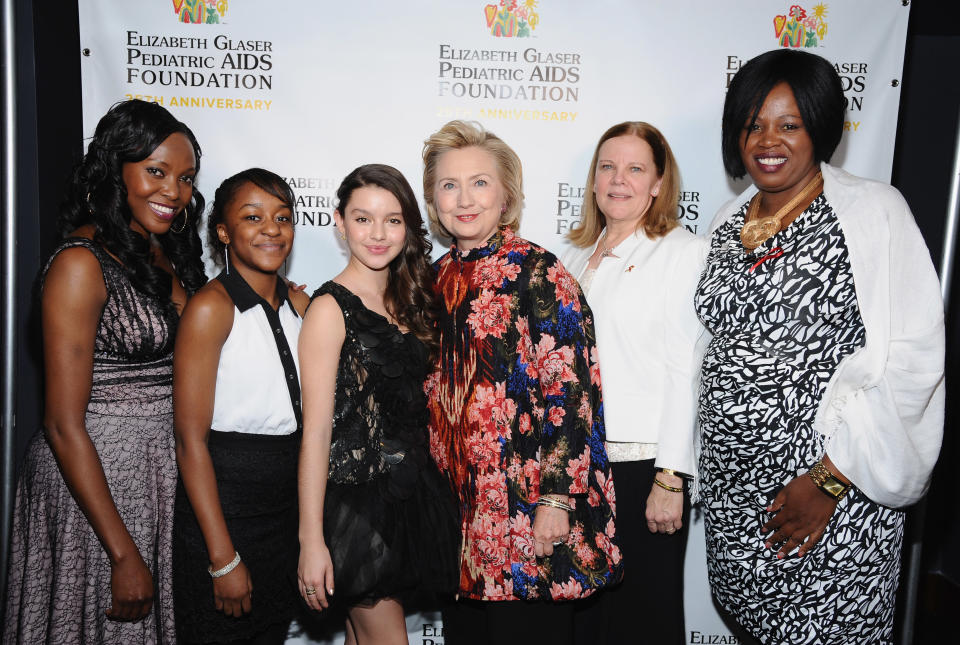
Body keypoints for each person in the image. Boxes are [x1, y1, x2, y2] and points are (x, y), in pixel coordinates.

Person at [696, 48, 944, 644]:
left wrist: (830, 480)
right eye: (753, 123)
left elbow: (913, 360)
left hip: (827, 501)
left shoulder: (871, 212)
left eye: (789, 124)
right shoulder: (728, 223)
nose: (766, 139)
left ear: (821, 128)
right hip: (735, 505)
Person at [3, 99, 206, 644]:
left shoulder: (165, 254)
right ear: (116, 170)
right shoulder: (79, 264)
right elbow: (63, 424)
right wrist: (122, 553)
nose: (173, 191)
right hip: (97, 491)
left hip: (161, 479)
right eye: (156, 172)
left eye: (185, 178)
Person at [421, 120, 623, 645]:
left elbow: (574, 394)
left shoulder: (540, 273)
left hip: (526, 514)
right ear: (432, 199)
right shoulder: (431, 279)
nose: (464, 198)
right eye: (449, 185)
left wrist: (555, 501)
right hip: (459, 520)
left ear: (506, 194)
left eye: (480, 182)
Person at [297, 164, 459, 645]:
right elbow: (316, 434)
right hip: (353, 505)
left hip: (408, 497)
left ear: (408, 225)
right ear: (339, 222)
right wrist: (312, 540)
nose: (378, 233)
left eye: (392, 219)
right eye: (363, 218)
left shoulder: (408, 297)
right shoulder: (329, 309)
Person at [561, 121, 704, 644]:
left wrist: (671, 478)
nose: (618, 180)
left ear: (658, 184)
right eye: (607, 167)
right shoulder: (574, 256)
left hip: (642, 470)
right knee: (584, 622)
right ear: (594, 180)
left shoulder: (681, 252)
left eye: (635, 169)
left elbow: (686, 368)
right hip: (578, 469)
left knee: (642, 621)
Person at [171, 168, 309, 645]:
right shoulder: (211, 308)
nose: (272, 228)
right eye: (253, 217)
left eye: (283, 217)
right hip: (227, 514)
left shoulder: (301, 307)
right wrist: (222, 557)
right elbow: (190, 442)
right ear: (224, 232)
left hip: (284, 516)